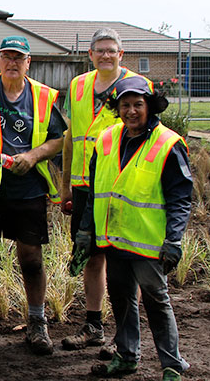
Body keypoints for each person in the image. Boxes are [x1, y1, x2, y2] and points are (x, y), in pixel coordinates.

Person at [76, 76, 191, 381]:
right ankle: (127, 356)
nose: (130, 111)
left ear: (149, 107)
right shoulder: (106, 140)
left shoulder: (168, 144)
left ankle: (171, 365)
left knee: (156, 301)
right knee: (121, 299)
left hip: (148, 243)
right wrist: (86, 232)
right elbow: (94, 191)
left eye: (137, 105)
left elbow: (181, 198)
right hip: (115, 240)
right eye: (125, 105)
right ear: (117, 107)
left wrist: (174, 239)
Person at [0, 35, 65, 355]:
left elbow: (59, 139)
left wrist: (34, 156)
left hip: (27, 186)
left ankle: (37, 323)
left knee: (31, 257)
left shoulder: (42, 96)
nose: (12, 62)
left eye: (18, 57)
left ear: (28, 63)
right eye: (6, 56)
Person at [61, 28, 147, 354]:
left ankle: (124, 335)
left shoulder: (138, 86)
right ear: (91, 54)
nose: (106, 55)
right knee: (91, 256)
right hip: (85, 186)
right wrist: (66, 183)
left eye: (112, 50)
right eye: (101, 50)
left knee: (123, 260)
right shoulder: (78, 85)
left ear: (121, 55)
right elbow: (71, 136)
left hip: (121, 188)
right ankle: (93, 326)